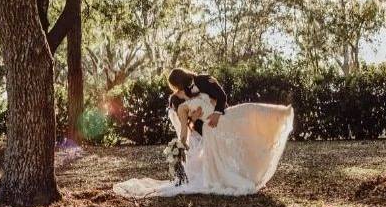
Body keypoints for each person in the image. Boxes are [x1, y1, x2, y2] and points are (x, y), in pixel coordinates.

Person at [113, 68, 294, 197]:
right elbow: (186, 125)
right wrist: (192, 122)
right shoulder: (181, 102)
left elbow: (221, 96)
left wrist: (215, 113)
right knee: (226, 150)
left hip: (221, 118)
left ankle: (280, 115)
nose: (177, 92)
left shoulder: (202, 81)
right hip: (210, 128)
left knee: (248, 113)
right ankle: (238, 174)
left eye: (176, 88)